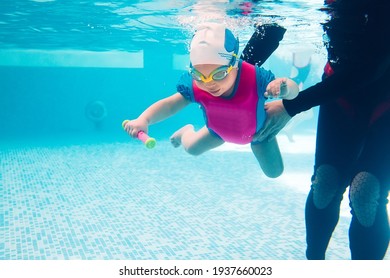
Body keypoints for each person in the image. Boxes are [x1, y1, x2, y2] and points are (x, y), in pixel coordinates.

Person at [255, 0, 390, 259]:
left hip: (385, 96)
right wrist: (235, 72)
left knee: (366, 191)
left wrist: (291, 106)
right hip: (341, 89)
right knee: (325, 183)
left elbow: (373, 65)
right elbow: (274, 22)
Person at [124, 22, 299, 178]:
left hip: (259, 134)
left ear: (235, 64)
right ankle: (185, 132)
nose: (209, 83)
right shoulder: (195, 84)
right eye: (199, 76)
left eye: (219, 74)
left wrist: (285, 88)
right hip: (217, 132)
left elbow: (294, 93)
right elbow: (170, 105)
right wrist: (144, 119)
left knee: (275, 172)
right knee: (191, 149)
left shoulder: (254, 77)